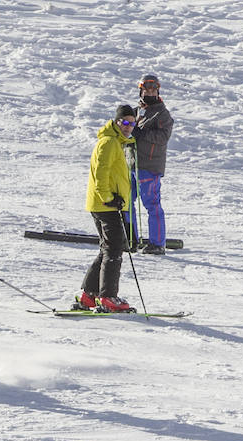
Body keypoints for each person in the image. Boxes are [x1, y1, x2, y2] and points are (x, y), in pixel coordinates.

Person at [74, 105, 138, 313]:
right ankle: (108, 296)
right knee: (114, 248)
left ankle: (89, 295)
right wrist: (109, 198)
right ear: (117, 121)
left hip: (106, 203)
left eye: (132, 123)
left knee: (108, 247)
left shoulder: (115, 141)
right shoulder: (110, 142)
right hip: (105, 205)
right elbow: (100, 173)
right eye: (125, 122)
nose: (129, 127)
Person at [133, 74, 174, 255]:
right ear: (141, 90)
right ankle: (130, 238)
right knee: (126, 202)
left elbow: (163, 137)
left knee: (151, 204)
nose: (150, 92)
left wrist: (142, 134)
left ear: (158, 91)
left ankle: (157, 243)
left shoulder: (162, 114)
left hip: (149, 165)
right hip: (131, 164)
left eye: (153, 89)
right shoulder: (137, 111)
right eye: (146, 89)